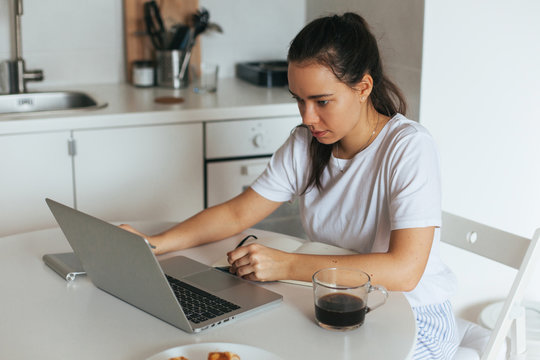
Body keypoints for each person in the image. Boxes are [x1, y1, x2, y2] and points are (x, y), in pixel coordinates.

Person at [121, 12, 459, 360]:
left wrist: (284, 265)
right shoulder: (305, 144)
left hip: (411, 318)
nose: (307, 117)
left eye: (321, 101)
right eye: (299, 99)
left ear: (364, 88)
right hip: (334, 305)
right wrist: (156, 244)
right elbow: (238, 212)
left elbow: (405, 271)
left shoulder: (408, 147)